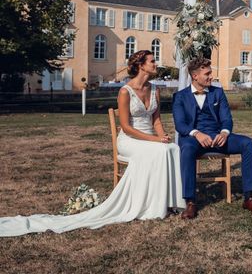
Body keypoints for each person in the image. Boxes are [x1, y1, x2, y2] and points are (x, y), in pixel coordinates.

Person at [0, 50, 184, 237]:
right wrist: (155, 140)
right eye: (152, 61)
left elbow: (157, 121)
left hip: (149, 139)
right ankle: (150, 206)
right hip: (130, 141)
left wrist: (163, 136)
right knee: (158, 151)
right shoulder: (125, 91)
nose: (156, 64)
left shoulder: (155, 89)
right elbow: (126, 128)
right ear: (141, 65)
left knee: (172, 148)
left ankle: (169, 202)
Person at [173, 57, 252, 218]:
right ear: (195, 76)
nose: (211, 77)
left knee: (248, 143)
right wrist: (197, 134)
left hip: (218, 137)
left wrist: (224, 132)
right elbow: (180, 125)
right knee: (186, 149)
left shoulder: (218, 92)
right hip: (194, 139)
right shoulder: (180, 96)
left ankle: (249, 198)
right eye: (207, 73)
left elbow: (227, 118)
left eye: (211, 73)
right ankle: (190, 202)